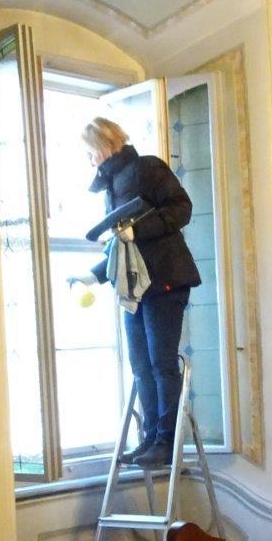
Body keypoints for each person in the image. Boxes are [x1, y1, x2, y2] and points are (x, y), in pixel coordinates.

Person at [70, 117, 201, 469]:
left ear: (104, 145)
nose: (89, 160)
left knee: (161, 363)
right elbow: (120, 247)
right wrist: (93, 276)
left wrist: (139, 231)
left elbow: (181, 208)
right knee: (141, 365)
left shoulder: (147, 168)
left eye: (89, 152)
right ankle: (150, 439)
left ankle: (166, 441)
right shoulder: (111, 187)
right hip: (135, 289)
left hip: (165, 281)